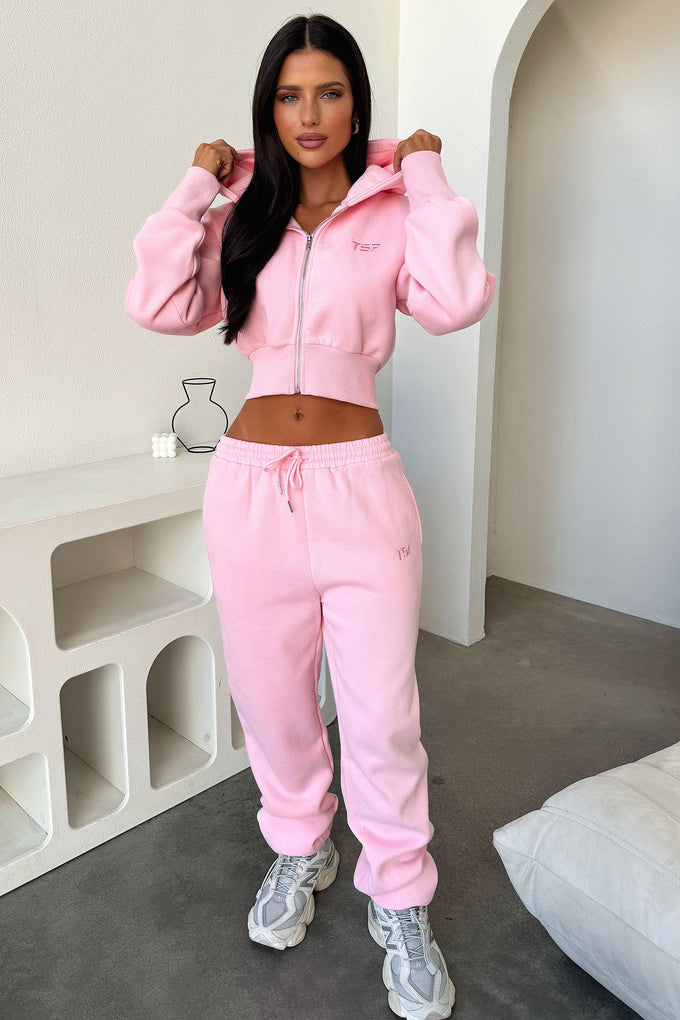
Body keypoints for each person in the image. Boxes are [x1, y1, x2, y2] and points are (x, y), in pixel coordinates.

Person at [125, 13, 494, 1019]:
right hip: (249, 486)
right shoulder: (242, 215)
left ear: (356, 104)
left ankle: (399, 897)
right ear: (269, 109)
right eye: (289, 95)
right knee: (274, 701)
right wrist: (194, 186)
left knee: (380, 714)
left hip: (359, 486)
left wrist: (425, 177)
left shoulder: (392, 210)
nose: (309, 113)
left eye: (329, 91)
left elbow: (456, 298)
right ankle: (300, 846)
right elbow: (160, 303)